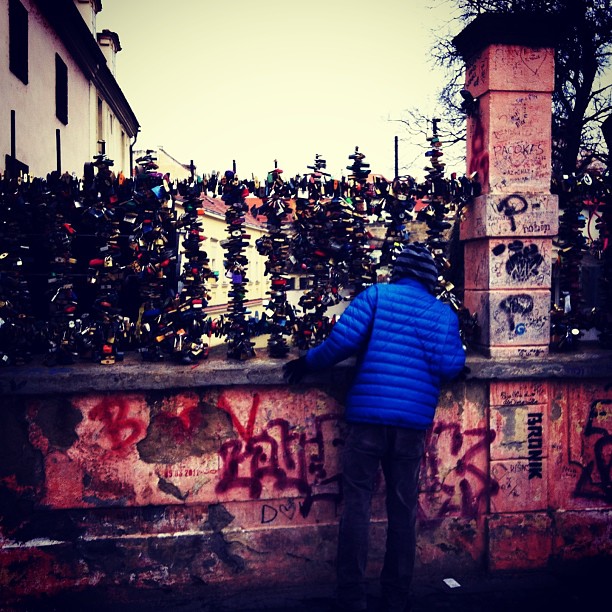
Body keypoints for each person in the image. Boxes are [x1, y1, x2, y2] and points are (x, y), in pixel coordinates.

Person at [283, 243, 466, 612]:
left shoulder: (377, 296)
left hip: (367, 421)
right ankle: (396, 596)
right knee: (403, 510)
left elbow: (341, 343)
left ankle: (352, 596)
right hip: (411, 427)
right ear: (429, 278)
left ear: (398, 272)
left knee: (357, 507)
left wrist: (307, 363)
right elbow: (450, 367)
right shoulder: (442, 314)